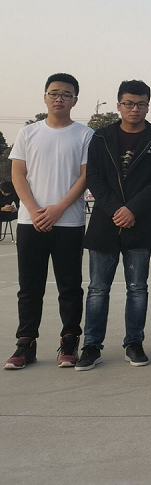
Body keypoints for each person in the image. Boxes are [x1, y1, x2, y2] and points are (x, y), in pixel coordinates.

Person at [76, 80, 151, 371]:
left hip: (141, 221)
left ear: (148, 106)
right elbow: (94, 177)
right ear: (119, 105)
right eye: (128, 103)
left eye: (141, 104)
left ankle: (134, 343)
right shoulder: (102, 137)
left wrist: (132, 209)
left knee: (138, 288)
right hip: (105, 222)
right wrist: (116, 209)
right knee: (97, 289)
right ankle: (91, 346)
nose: (134, 109)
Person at [5, 73, 94, 370]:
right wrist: (34, 210)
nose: (59, 99)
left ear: (75, 100)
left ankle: (69, 342)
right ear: (45, 97)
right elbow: (18, 174)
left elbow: (85, 177)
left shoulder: (85, 135)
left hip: (69, 223)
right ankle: (25, 343)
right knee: (30, 287)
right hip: (31, 222)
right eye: (54, 93)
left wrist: (59, 209)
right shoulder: (28, 133)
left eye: (66, 94)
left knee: (70, 287)